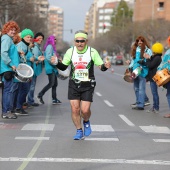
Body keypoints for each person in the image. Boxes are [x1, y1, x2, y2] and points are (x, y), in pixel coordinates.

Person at [50, 30, 111, 140]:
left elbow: (101, 67)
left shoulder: (92, 52)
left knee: (85, 110)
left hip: (88, 84)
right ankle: (79, 130)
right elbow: (64, 67)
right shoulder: (70, 52)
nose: (79, 43)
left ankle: (86, 121)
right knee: (75, 109)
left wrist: (105, 66)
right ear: (74, 41)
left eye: (82, 41)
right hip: (74, 83)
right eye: (77, 41)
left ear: (86, 41)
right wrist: (56, 63)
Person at [9, 28, 34, 116]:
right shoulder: (21, 45)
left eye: (30, 37)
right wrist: (28, 58)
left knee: (22, 89)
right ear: (23, 37)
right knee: (22, 89)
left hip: (25, 71)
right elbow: (18, 57)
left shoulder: (26, 45)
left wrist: (34, 58)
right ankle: (17, 107)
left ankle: (17, 107)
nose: (29, 38)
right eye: (27, 37)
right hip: (21, 71)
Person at [0, 21, 20, 119]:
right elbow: (3, 52)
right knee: (7, 90)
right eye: (11, 29)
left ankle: (6, 111)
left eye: (14, 30)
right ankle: (6, 112)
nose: (13, 31)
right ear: (6, 30)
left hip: (8, 68)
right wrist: (11, 64)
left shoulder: (8, 39)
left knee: (7, 90)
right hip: (7, 68)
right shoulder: (6, 39)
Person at [37, 35, 61, 105]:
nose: (55, 40)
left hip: (53, 68)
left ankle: (54, 99)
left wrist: (57, 60)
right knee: (51, 83)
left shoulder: (52, 47)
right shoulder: (49, 46)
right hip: (50, 68)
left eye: (56, 39)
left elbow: (52, 57)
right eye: (54, 39)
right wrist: (54, 63)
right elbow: (48, 57)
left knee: (55, 84)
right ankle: (40, 95)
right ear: (51, 40)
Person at [130, 36, 152, 110]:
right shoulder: (136, 50)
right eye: (138, 41)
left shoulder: (147, 50)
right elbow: (133, 60)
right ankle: (138, 102)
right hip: (135, 71)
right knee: (136, 88)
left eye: (141, 40)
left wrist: (144, 61)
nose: (139, 42)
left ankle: (141, 105)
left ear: (144, 41)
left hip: (142, 71)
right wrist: (130, 66)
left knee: (141, 88)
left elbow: (150, 59)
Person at [142, 43, 163, 113]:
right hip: (153, 77)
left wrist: (147, 59)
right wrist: (148, 58)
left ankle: (156, 107)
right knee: (154, 93)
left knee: (154, 93)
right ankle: (155, 107)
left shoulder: (157, 58)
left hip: (154, 77)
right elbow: (151, 63)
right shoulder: (156, 57)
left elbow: (150, 65)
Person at [26, 32, 45, 108]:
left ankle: (30, 101)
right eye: (39, 38)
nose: (40, 40)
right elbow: (34, 58)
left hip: (34, 68)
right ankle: (30, 101)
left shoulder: (37, 46)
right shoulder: (35, 47)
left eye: (42, 39)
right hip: (33, 68)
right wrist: (39, 60)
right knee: (31, 86)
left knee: (31, 85)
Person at [157, 36, 170, 118]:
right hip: (167, 74)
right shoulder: (168, 52)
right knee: (168, 94)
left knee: (169, 95)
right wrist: (159, 69)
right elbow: (163, 63)